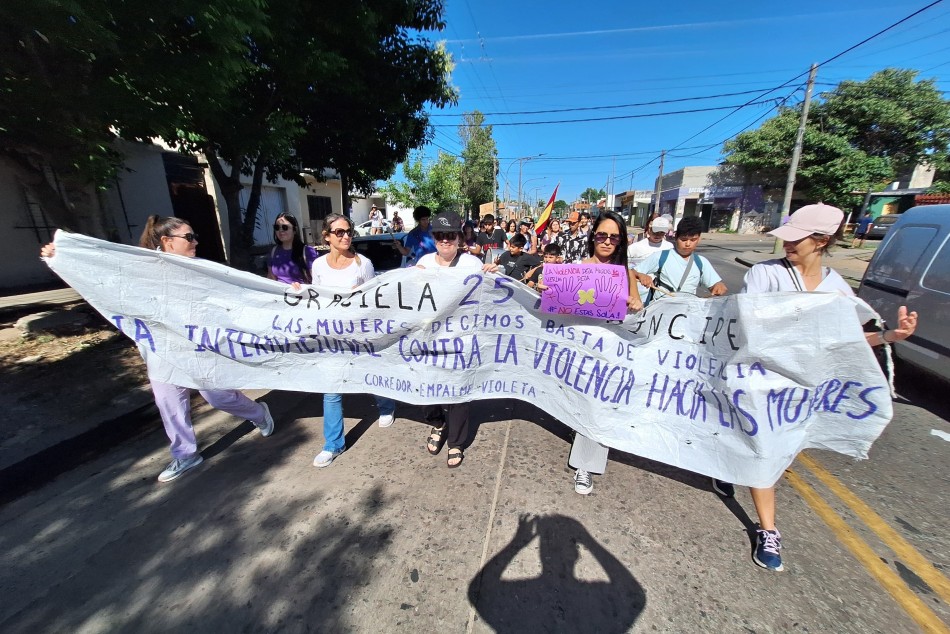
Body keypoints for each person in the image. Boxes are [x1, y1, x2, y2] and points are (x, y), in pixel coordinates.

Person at [716, 203, 918, 572]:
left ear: (822, 240)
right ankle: (769, 530)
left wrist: (891, 334)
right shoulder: (764, 275)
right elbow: (753, 325)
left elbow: (847, 339)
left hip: (801, 388)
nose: (788, 245)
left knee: (773, 450)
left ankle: (729, 466)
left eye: (797, 238)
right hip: (761, 379)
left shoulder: (837, 290)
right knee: (765, 449)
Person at [41, 215, 276, 483]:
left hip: (198, 349)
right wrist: (61, 257)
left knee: (217, 396)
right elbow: (101, 274)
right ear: (166, 241)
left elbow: (241, 289)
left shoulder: (201, 269)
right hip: (161, 351)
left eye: (193, 236)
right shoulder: (140, 269)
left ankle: (259, 413)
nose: (195, 241)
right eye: (189, 237)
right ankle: (185, 454)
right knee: (170, 404)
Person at [551, 211, 643, 495]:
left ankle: (585, 466)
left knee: (598, 405)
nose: (607, 241)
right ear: (593, 237)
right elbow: (559, 304)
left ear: (621, 241)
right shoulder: (577, 268)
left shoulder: (625, 273)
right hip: (581, 347)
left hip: (611, 351)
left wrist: (632, 302)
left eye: (614, 237)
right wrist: (549, 291)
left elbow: (638, 307)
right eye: (602, 235)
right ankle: (581, 434)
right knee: (582, 403)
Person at [305, 213, 398, 467]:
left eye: (349, 231)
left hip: (359, 335)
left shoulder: (362, 264)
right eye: (339, 232)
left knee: (371, 375)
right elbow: (317, 297)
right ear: (326, 237)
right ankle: (333, 444)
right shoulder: (319, 265)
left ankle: (387, 405)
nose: (346, 236)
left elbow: (374, 299)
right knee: (332, 390)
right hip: (332, 337)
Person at [416, 211, 499, 467]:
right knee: (427, 387)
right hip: (430, 340)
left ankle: (456, 441)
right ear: (434, 238)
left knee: (458, 393)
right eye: (440, 235)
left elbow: (492, 295)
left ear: (459, 237)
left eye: (450, 235)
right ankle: (438, 424)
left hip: (462, 340)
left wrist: (494, 273)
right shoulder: (424, 263)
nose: (445, 240)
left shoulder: (472, 265)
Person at [633, 216, 728, 303]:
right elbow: (631, 272)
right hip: (660, 310)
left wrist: (718, 286)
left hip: (687, 312)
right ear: (676, 237)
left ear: (699, 239)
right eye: (683, 240)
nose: (688, 244)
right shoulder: (661, 256)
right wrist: (640, 275)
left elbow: (714, 285)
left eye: (693, 240)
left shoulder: (701, 262)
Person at [626, 216, 674, 303]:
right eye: (656, 231)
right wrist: (639, 275)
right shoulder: (635, 247)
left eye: (661, 232)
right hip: (640, 292)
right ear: (650, 229)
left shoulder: (670, 247)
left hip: (661, 293)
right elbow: (624, 266)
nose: (658, 235)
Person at [267, 213, 319, 284]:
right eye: (277, 227)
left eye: (285, 227)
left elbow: (317, 279)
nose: (281, 230)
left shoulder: (308, 251)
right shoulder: (273, 251)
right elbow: (271, 277)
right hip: (280, 294)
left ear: (294, 230)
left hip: (300, 293)